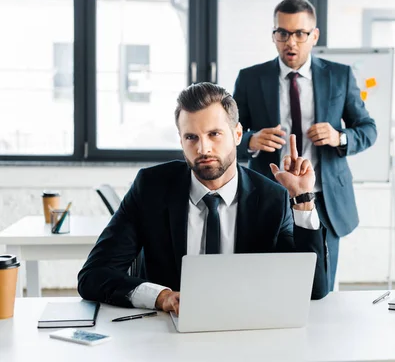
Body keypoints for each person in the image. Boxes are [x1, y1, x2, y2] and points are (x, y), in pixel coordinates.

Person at [78, 83, 328, 314]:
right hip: (167, 333)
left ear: (238, 134)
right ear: (181, 140)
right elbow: (93, 275)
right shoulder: (151, 188)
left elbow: (313, 290)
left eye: (214, 134)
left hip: (245, 328)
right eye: (191, 137)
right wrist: (161, 297)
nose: (203, 149)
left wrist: (302, 198)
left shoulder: (271, 198)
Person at [233, 0, 376, 290]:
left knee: (321, 286)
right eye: (282, 33)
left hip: (324, 199)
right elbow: (226, 134)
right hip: (268, 197)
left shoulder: (340, 75)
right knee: (268, 283)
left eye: (300, 33)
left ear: (314, 36)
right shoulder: (250, 78)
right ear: (274, 35)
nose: (291, 42)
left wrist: (340, 137)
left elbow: (368, 129)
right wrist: (251, 140)